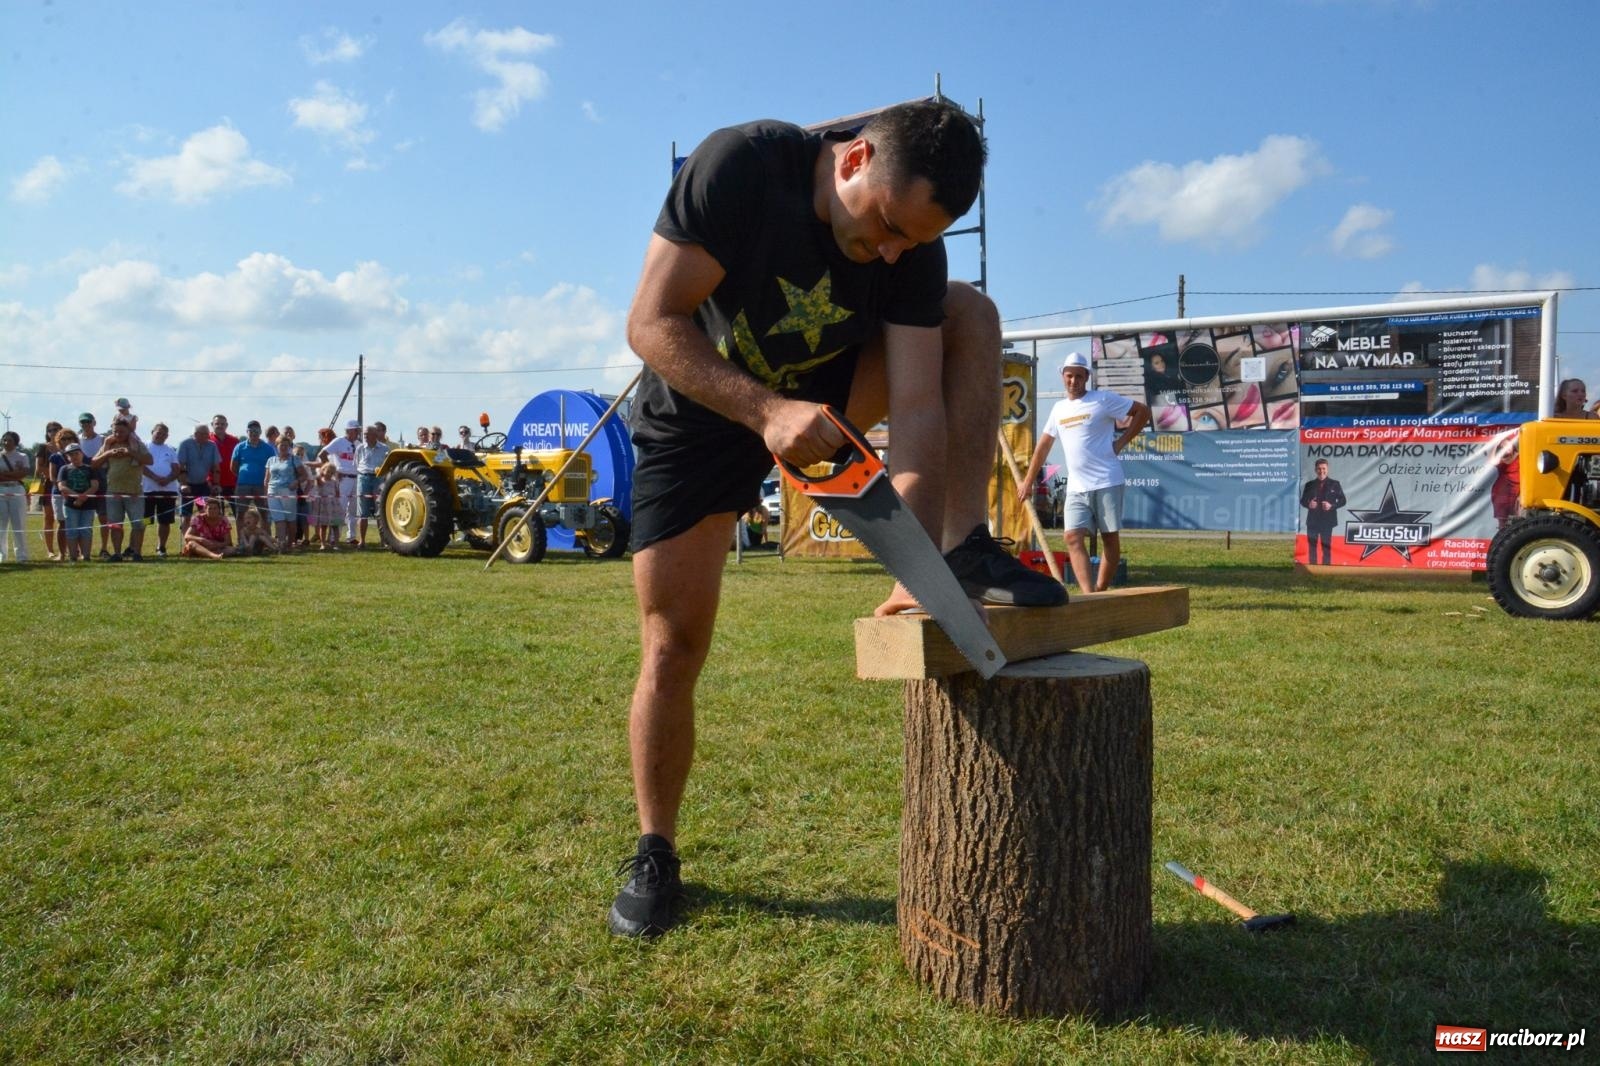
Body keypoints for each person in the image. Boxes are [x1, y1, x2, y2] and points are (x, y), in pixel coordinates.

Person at [609, 99, 1065, 939]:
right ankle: (655, 850)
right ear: (854, 160)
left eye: (913, 243)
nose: (893, 253)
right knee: (672, 645)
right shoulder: (742, 167)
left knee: (968, 313)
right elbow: (649, 322)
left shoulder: (912, 247)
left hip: (822, 401)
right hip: (701, 409)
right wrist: (766, 411)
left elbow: (917, 409)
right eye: (888, 227)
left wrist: (914, 568)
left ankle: (963, 548)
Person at [1019, 351, 1151, 593]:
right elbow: (1044, 446)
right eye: (1069, 376)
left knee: (1109, 538)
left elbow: (1142, 411)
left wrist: (1121, 443)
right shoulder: (1058, 409)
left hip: (1107, 480)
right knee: (1071, 537)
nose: (1073, 381)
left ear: (1087, 377)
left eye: (1079, 376)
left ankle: (1100, 589)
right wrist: (1028, 481)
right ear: (1063, 376)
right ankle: (1089, 595)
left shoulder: (1102, 399)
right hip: (1076, 487)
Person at [91, 415, 153, 561]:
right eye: (115, 432)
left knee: (138, 524)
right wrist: (107, 453)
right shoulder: (108, 444)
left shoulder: (137, 444)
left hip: (134, 492)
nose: (118, 434)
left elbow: (149, 460)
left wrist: (130, 452)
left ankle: (137, 553)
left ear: (129, 431)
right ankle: (117, 554)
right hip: (113, 491)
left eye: (122, 432)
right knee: (115, 525)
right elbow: (94, 463)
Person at [142, 422, 182, 557]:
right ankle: (136, 547)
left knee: (164, 521)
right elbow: (140, 466)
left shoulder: (170, 449)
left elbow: (176, 469)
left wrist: (168, 479)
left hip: (167, 491)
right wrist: (154, 477)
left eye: (164, 434)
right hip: (148, 490)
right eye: (159, 433)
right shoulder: (144, 446)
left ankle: (161, 547)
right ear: (152, 432)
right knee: (145, 520)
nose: (161, 436)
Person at [77, 412, 112, 558]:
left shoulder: (102, 439)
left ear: (94, 423)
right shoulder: (77, 440)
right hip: (82, 479)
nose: (86, 424)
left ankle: (104, 548)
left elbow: (108, 460)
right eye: (83, 422)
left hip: (101, 478)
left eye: (88, 421)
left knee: (103, 517)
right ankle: (82, 550)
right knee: (83, 517)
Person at [264, 437, 309, 551]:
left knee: (290, 519)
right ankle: (282, 544)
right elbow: (266, 479)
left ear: (289, 447)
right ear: (277, 446)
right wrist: (265, 495)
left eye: (286, 445)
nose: (283, 447)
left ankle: (291, 543)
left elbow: (304, 475)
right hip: (272, 492)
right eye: (281, 445)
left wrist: (296, 482)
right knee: (278, 519)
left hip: (288, 492)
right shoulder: (271, 460)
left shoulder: (294, 459)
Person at [1300, 459, 1346, 565]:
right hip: (1312, 522)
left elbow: (1343, 500)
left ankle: (1326, 569)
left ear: (1327, 469)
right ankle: (1313, 568)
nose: (1321, 471)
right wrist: (1309, 504)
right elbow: (1302, 501)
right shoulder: (1309, 485)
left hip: (1327, 522)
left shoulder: (1335, 484)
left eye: (1324, 468)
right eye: (1319, 469)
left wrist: (1331, 506)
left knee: (1326, 547)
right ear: (1315, 470)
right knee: (1312, 547)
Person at [56, 442, 97, 561]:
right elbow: (61, 486)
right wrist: (77, 496)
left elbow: (94, 485)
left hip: (88, 505)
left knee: (86, 530)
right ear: (67, 457)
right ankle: (73, 557)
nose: (74, 456)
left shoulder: (90, 469)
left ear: (81, 454)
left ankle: (86, 556)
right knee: (71, 531)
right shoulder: (64, 469)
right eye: (71, 454)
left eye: (76, 453)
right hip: (70, 505)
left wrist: (83, 497)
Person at [354, 424, 391, 546]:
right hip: (363, 478)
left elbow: (388, 465)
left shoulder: (385, 448)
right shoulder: (360, 448)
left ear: (375, 435)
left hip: (378, 479)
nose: (364, 436)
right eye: (364, 434)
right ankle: (362, 541)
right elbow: (356, 464)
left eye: (367, 434)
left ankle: (383, 541)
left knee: (380, 510)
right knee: (362, 512)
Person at [324, 420, 361, 542]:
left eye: (358, 430)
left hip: (356, 479)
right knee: (339, 509)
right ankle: (333, 537)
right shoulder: (338, 442)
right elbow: (322, 454)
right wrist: (332, 471)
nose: (358, 432)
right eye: (356, 430)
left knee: (353, 510)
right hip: (343, 479)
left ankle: (351, 537)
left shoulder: (359, 444)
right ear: (349, 431)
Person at [177, 423, 221, 522]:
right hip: (188, 486)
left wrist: (216, 484)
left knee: (205, 512)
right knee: (186, 515)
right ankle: (186, 532)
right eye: (204, 434)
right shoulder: (185, 444)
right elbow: (181, 466)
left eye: (207, 434)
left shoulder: (212, 445)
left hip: (202, 486)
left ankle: (203, 531)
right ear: (196, 434)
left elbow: (216, 467)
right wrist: (183, 484)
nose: (207, 436)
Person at [230, 420, 275, 517]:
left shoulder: (268, 449)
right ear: (247, 432)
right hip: (243, 485)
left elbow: (273, 467)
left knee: (264, 514)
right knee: (240, 514)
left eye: (256, 431)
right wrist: (244, 475)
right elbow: (233, 467)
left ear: (260, 432)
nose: (254, 433)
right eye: (251, 430)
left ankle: (264, 528)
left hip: (262, 486)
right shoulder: (239, 447)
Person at [0, 431, 30, 562]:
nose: (6, 443)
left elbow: (23, 473)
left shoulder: (23, 456)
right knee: (1, 525)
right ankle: (2, 555)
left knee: (19, 523)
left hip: (17, 489)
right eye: (4, 440)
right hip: (1, 490)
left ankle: (21, 556)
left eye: (10, 440)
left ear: (16, 442)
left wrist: (6, 474)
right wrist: (13, 474)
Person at [35, 421, 63, 560]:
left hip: (66, 485)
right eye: (50, 430)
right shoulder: (43, 447)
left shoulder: (66, 446)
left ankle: (69, 548)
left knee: (65, 518)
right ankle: (50, 550)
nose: (53, 432)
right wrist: (55, 475)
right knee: (49, 517)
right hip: (48, 485)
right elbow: (39, 468)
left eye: (56, 429)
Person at [208, 415, 240, 516]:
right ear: (212, 424)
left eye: (222, 424)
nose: (220, 426)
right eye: (217, 424)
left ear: (226, 425)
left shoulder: (234, 441)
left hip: (232, 482)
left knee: (238, 514)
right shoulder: (207, 440)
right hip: (213, 483)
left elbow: (239, 461)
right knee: (214, 515)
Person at [313, 458, 342, 549]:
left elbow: (338, 493)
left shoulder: (335, 482)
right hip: (323, 506)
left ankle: (336, 544)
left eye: (331, 472)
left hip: (334, 506)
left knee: (335, 526)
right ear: (323, 470)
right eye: (328, 471)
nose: (329, 474)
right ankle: (323, 544)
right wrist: (319, 470)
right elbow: (317, 479)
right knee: (323, 526)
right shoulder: (320, 481)